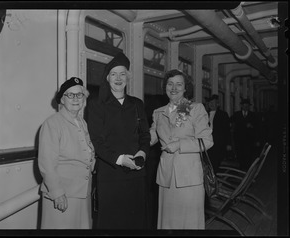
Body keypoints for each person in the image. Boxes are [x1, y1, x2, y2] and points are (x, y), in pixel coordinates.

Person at [87, 52, 151, 229]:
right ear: (107, 78)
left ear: (128, 78)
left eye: (122, 74)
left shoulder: (137, 104)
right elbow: (97, 141)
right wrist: (120, 160)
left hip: (137, 173)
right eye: (113, 74)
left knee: (136, 222)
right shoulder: (96, 104)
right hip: (110, 174)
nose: (118, 78)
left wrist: (142, 154)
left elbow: (145, 135)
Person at [149, 69, 213, 229]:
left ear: (186, 88)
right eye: (170, 84)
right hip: (167, 177)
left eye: (179, 84)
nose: (174, 88)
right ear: (165, 87)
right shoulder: (158, 113)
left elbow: (207, 141)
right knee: (168, 223)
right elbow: (150, 138)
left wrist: (179, 145)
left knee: (189, 223)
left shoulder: (194, 108)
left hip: (189, 178)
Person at [38, 77, 96, 229]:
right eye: (70, 95)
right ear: (62, 100)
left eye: (79, 95)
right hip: (63, 194)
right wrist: (57, 193)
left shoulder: (82, 122)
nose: (76, 99)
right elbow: (47, 163)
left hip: (82, 192)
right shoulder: (52, 123)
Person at [230, 98, 261, 171]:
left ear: (249, 106)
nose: (246, 107)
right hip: (238, 139)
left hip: (249, 140)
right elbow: (230, 121)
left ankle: (248, 170)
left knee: (249, 155)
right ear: (241, 106)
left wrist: (252, 126)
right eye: (244, 105)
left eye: (247, 106)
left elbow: (258, 127)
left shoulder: (253, 115)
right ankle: (241, 169)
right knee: (240, 155)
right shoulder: (236, 114)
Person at [206, 94, 232, 173]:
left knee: (216, 163)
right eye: (210, 102)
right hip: (207, 142)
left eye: (213, 102)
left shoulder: (223, 114)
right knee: (208, 162)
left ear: (218, 104)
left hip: (218, 143)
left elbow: (227, 130)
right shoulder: (204, 114)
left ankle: (216, 179)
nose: (211, 104)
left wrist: (228, 143)